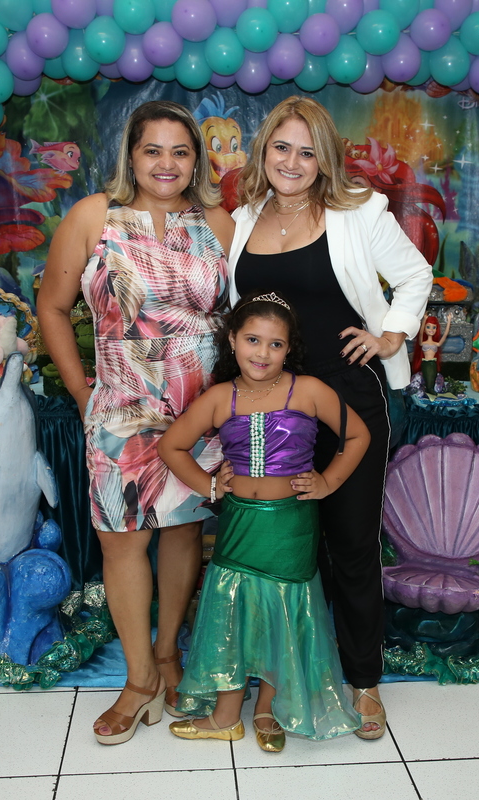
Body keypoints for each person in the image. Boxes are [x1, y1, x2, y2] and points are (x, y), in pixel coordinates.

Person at [227, 96, 433, 738]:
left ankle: (363, 680)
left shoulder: (359, 211)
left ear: (326, 161)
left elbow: (415, 275)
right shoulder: (242, 218)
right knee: (285, 545)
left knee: (351, 543)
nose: (292, 162)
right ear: (264, 151)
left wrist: (391, 335)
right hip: (272, 404)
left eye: (307, 152)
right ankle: (285, 676)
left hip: (347, 399)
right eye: (281, 148)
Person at [39, 100, 234, 745]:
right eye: (153, 150)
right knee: (120, 540)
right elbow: (52, 307)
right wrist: (79, 389)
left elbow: (244, 318)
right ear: (131, 155)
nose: (166, 164)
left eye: (180, 151)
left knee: (183, 532)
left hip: (199, 410)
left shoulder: (220, 224)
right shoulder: (92, 216)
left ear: (196, 160)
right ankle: (139, 677)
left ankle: (170, 654)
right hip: (121, 405)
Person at [157, 292, 369, 751]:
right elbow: (171, 446)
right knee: (233, 609)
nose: (263, 353)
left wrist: (328, 481)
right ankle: (225, 716)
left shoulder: (308, 390)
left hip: (291, 525)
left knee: (281, 611)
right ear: (233, 340)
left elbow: (358, 435)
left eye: (276, 344)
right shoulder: (220, 397)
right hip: (239, 523)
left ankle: (268, 710)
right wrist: (209, 486)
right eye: (253, 340)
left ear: (289, 349)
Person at [412, 314, 450, 392]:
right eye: (428, 327)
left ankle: (430, 390)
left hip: (433, 363)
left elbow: (445, 334)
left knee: (432, 378)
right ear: (425, 329)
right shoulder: (422, 342)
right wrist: (424, 320)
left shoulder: (436, 344)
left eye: (434, 327)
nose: (431, 329)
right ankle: (428, 390)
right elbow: (421, 333)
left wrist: (449, 321)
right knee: (427, 378)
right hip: (425, 363)